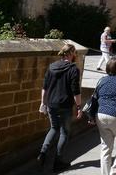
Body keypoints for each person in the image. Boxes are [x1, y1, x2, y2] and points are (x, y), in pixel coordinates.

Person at [37, 43, 82, 172]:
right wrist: (79, 107)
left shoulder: (52, 67)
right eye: (75, 53)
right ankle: (58, 162)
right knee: (64, 132)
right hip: (65, 105)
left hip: (51, 104)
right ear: (72, 53)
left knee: (53, 128)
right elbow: (76, 91)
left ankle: (43, 153)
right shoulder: (73, 69)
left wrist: (43, 103)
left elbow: (45, 88)